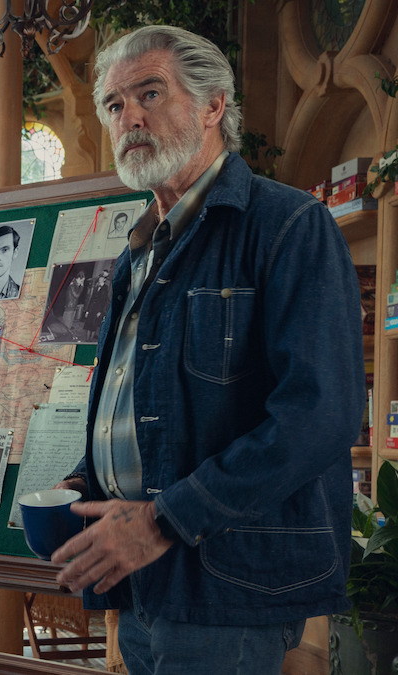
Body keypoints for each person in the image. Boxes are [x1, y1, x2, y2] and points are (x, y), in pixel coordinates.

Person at [50, 26, 364, 675]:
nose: (129, 117)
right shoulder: (139, 250)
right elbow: (146, 400)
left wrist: (162, 520)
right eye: (114, 104)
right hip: (139, 582)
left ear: (214, 105)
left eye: (150, 93)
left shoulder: (288, 226)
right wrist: (88, 478)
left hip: (229, 586)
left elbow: (319, 415)